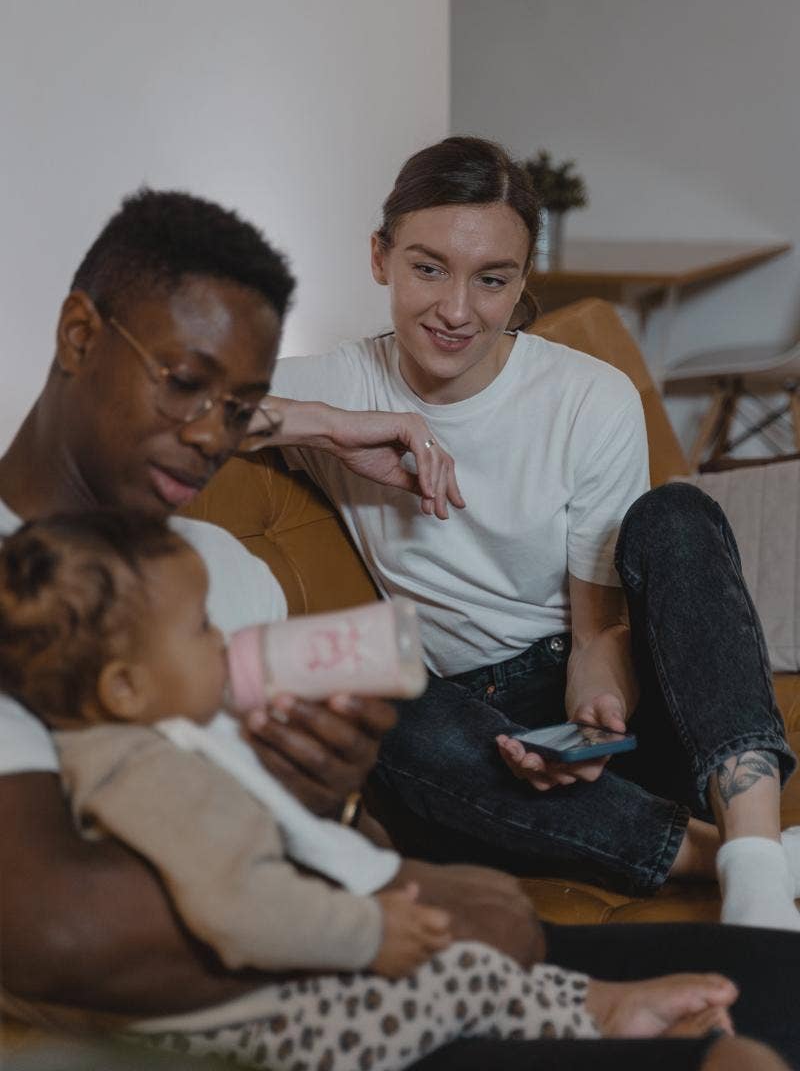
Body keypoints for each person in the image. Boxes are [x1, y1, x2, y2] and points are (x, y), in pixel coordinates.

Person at [0, 185, 796, 1071]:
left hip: (409, 962)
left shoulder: (214, 563)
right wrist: (408, 888)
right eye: (186, 385)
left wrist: (335, 798)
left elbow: (316, 828)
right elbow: (56, 924)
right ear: (78, 337)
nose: (206, 435)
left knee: (773, 994)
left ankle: (750, 863)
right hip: (310, 1005)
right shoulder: (26, 591)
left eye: (236, 407)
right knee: (740, 1058)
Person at [268, 135, 800, 936]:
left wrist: (597, 703)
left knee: (675, 514)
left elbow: (595, 629)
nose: (456, 310)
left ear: (523, 280)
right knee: (381, 709)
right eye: (427, 267)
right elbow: (168, 404)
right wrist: (332, 424)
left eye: (492, 280)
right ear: (379, 257)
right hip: (469, 740)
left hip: (618, 707)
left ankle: (756, 873)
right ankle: (734, 855)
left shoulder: (588, 396)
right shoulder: (341, 384)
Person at [0, 509, 751, 1069]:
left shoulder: (123, 748)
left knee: (467, 972)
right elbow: (235, 907)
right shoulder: (149, 773)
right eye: (200, 629)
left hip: (277, 979)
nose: (223, 641)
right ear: (125, 686)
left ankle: (604, 1008)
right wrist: (368, 930)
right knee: (450, 978)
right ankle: (605, 1021)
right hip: (274, 1026)